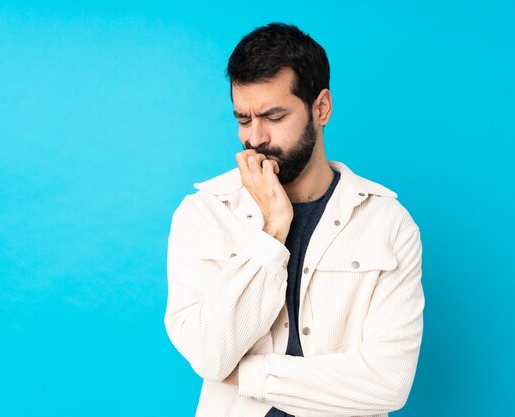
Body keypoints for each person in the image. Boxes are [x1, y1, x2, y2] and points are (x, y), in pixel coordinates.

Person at [164, 22, 425, 417]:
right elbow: (210, 357)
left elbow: (388, 383)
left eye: (273, 116)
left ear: (321, 108)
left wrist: (249, 375)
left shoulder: (387, 223)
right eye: (243, 119)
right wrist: (271, 232)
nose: (255, 138)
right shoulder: (204, 214)